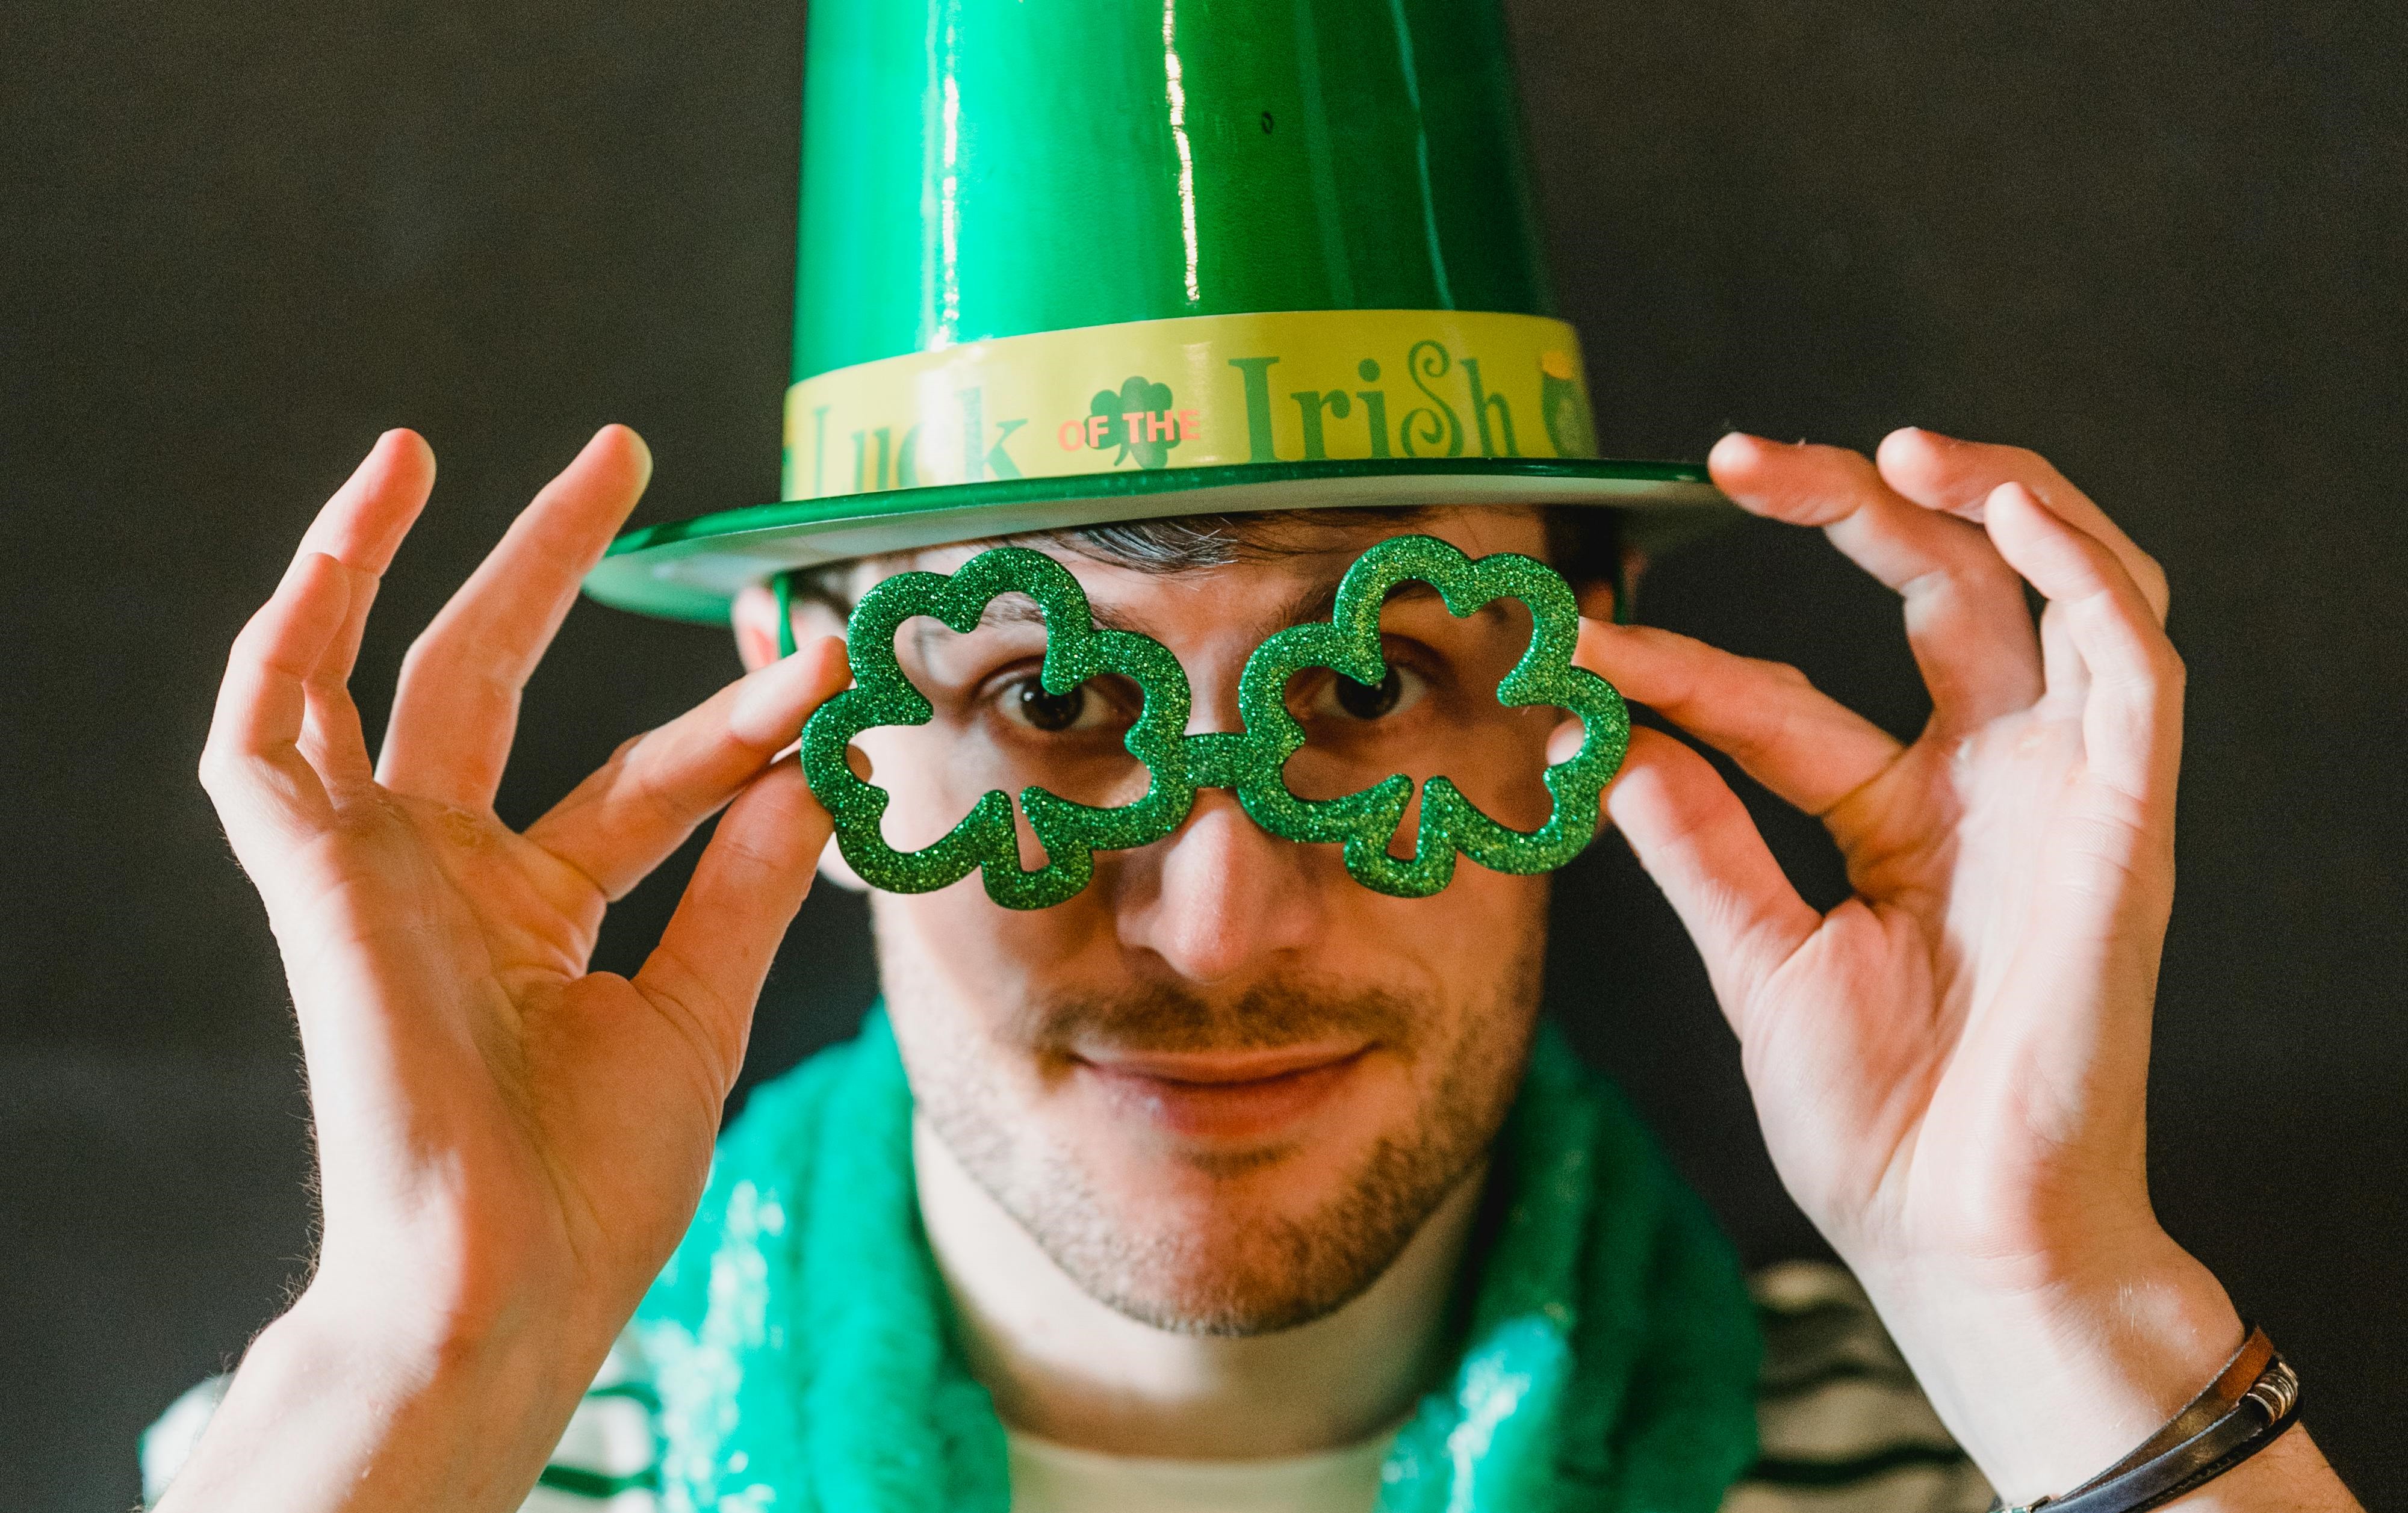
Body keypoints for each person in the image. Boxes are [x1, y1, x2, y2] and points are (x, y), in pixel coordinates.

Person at [142, 2, 2367, 1511]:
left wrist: (2059, 1311)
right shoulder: (367, 1463)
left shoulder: (2006, 1464)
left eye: (1376, 681)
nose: (1215, 924)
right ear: (807, 721)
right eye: (1045, 697)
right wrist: (407, 1399)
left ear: (1597, 700)